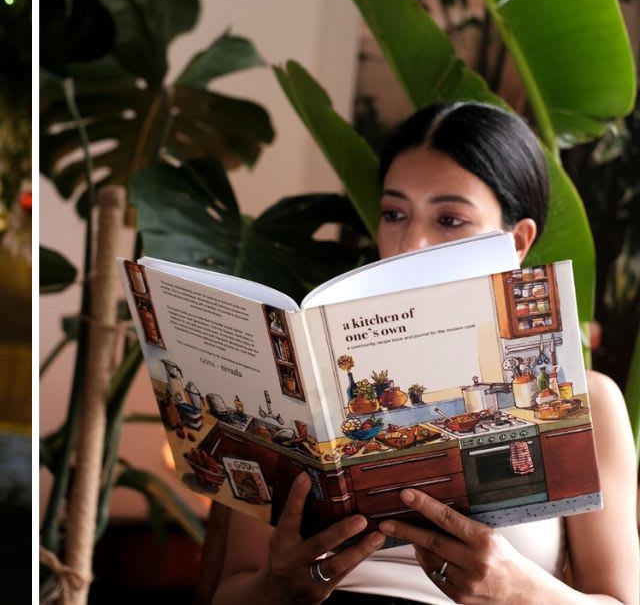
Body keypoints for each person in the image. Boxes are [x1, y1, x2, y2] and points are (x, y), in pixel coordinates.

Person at [212, 102, 639, 605]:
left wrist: (516, 590)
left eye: (450, 219)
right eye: (394, 214)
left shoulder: (587, 399)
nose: (410, 243)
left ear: (517, 241)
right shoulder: (295, 392)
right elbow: (231, 591)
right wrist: (275, 588)